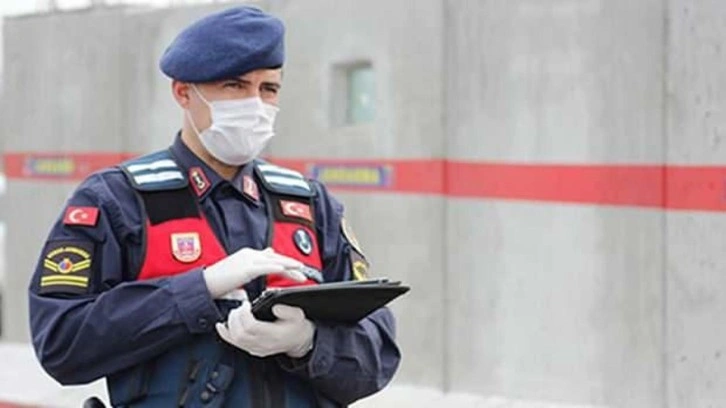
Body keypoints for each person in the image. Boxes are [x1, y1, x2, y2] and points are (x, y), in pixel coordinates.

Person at [28, 6, 400, 407]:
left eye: (268, 89)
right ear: (183, 93)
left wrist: (308, 342)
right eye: (234, 86)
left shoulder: (309, 205)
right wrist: (198, 290)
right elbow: (62, 344)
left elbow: (378, 354)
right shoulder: (118, 201)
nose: (255, 104)